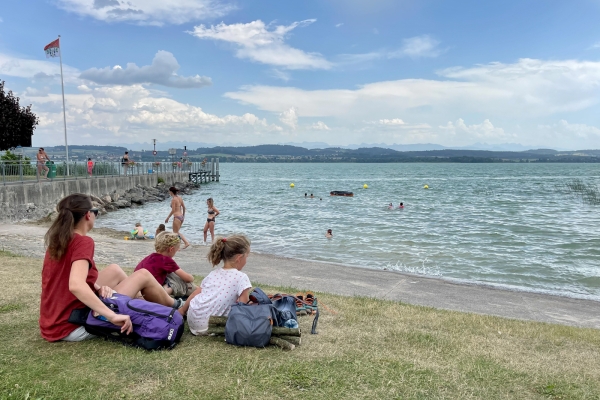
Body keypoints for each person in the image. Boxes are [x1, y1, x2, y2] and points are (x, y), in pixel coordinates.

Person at [39, 193, 184, 342]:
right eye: (95, 211)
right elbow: (76, 285)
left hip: (52, 323)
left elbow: (66, 278)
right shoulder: (83, 242)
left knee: (114, 269)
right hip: (74, 324)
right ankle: (176, 305)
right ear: (88, 215)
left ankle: (146, 306)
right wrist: (112, 315)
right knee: (143, 275)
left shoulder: (58, 241)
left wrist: (98, 288)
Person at [178, 235, 252, 335]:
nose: (246, 261)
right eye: (246, 257)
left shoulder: (213, 274)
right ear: (239, 258)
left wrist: (182, 310)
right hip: (209, 326)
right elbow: (243, 308)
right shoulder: (241, 277)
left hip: (193, 320)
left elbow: (195, 293)